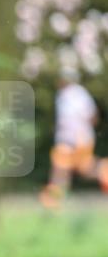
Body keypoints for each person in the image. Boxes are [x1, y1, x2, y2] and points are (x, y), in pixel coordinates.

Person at [39, 65, 108, 209]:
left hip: (75, 138)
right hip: (75, 138)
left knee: (61, 168)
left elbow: (91, 116)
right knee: (82, 168)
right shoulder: (66, 95)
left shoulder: (76, 94)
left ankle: (54, 200)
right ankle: (104, 170)